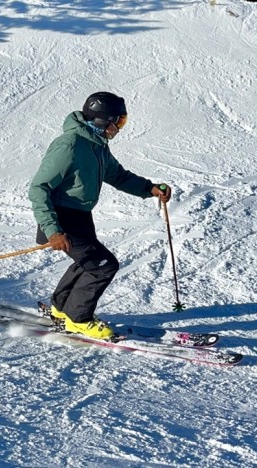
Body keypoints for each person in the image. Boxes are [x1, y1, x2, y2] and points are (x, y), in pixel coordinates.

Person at [28, 91, 172, 340]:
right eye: (119, 121)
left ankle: (61, 310)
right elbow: (39, 189)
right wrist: (53, 230)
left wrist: (149, 188)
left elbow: (117, 175)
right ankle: (78, 319)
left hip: (81, 216)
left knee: (89, 263)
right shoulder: (70, 145)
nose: (120, 128)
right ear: (102, 120)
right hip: (61, 218)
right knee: (102, 267)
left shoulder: (96, 146)